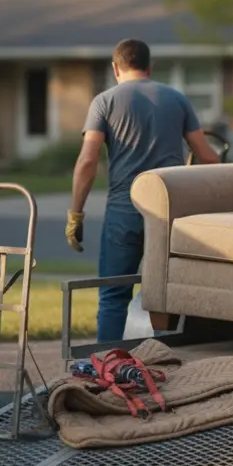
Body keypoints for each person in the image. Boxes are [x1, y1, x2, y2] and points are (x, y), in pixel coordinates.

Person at [66, 38, 221, 342]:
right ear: (150, 67)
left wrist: (76, 214)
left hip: (124, 210)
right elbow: (208, 157)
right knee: (163, 294)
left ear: (115, 68)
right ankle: (165, 360)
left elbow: (87, 161)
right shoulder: (177, 99)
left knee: (113, 294)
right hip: (169, 211)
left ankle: (108, 362)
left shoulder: (104, 102)